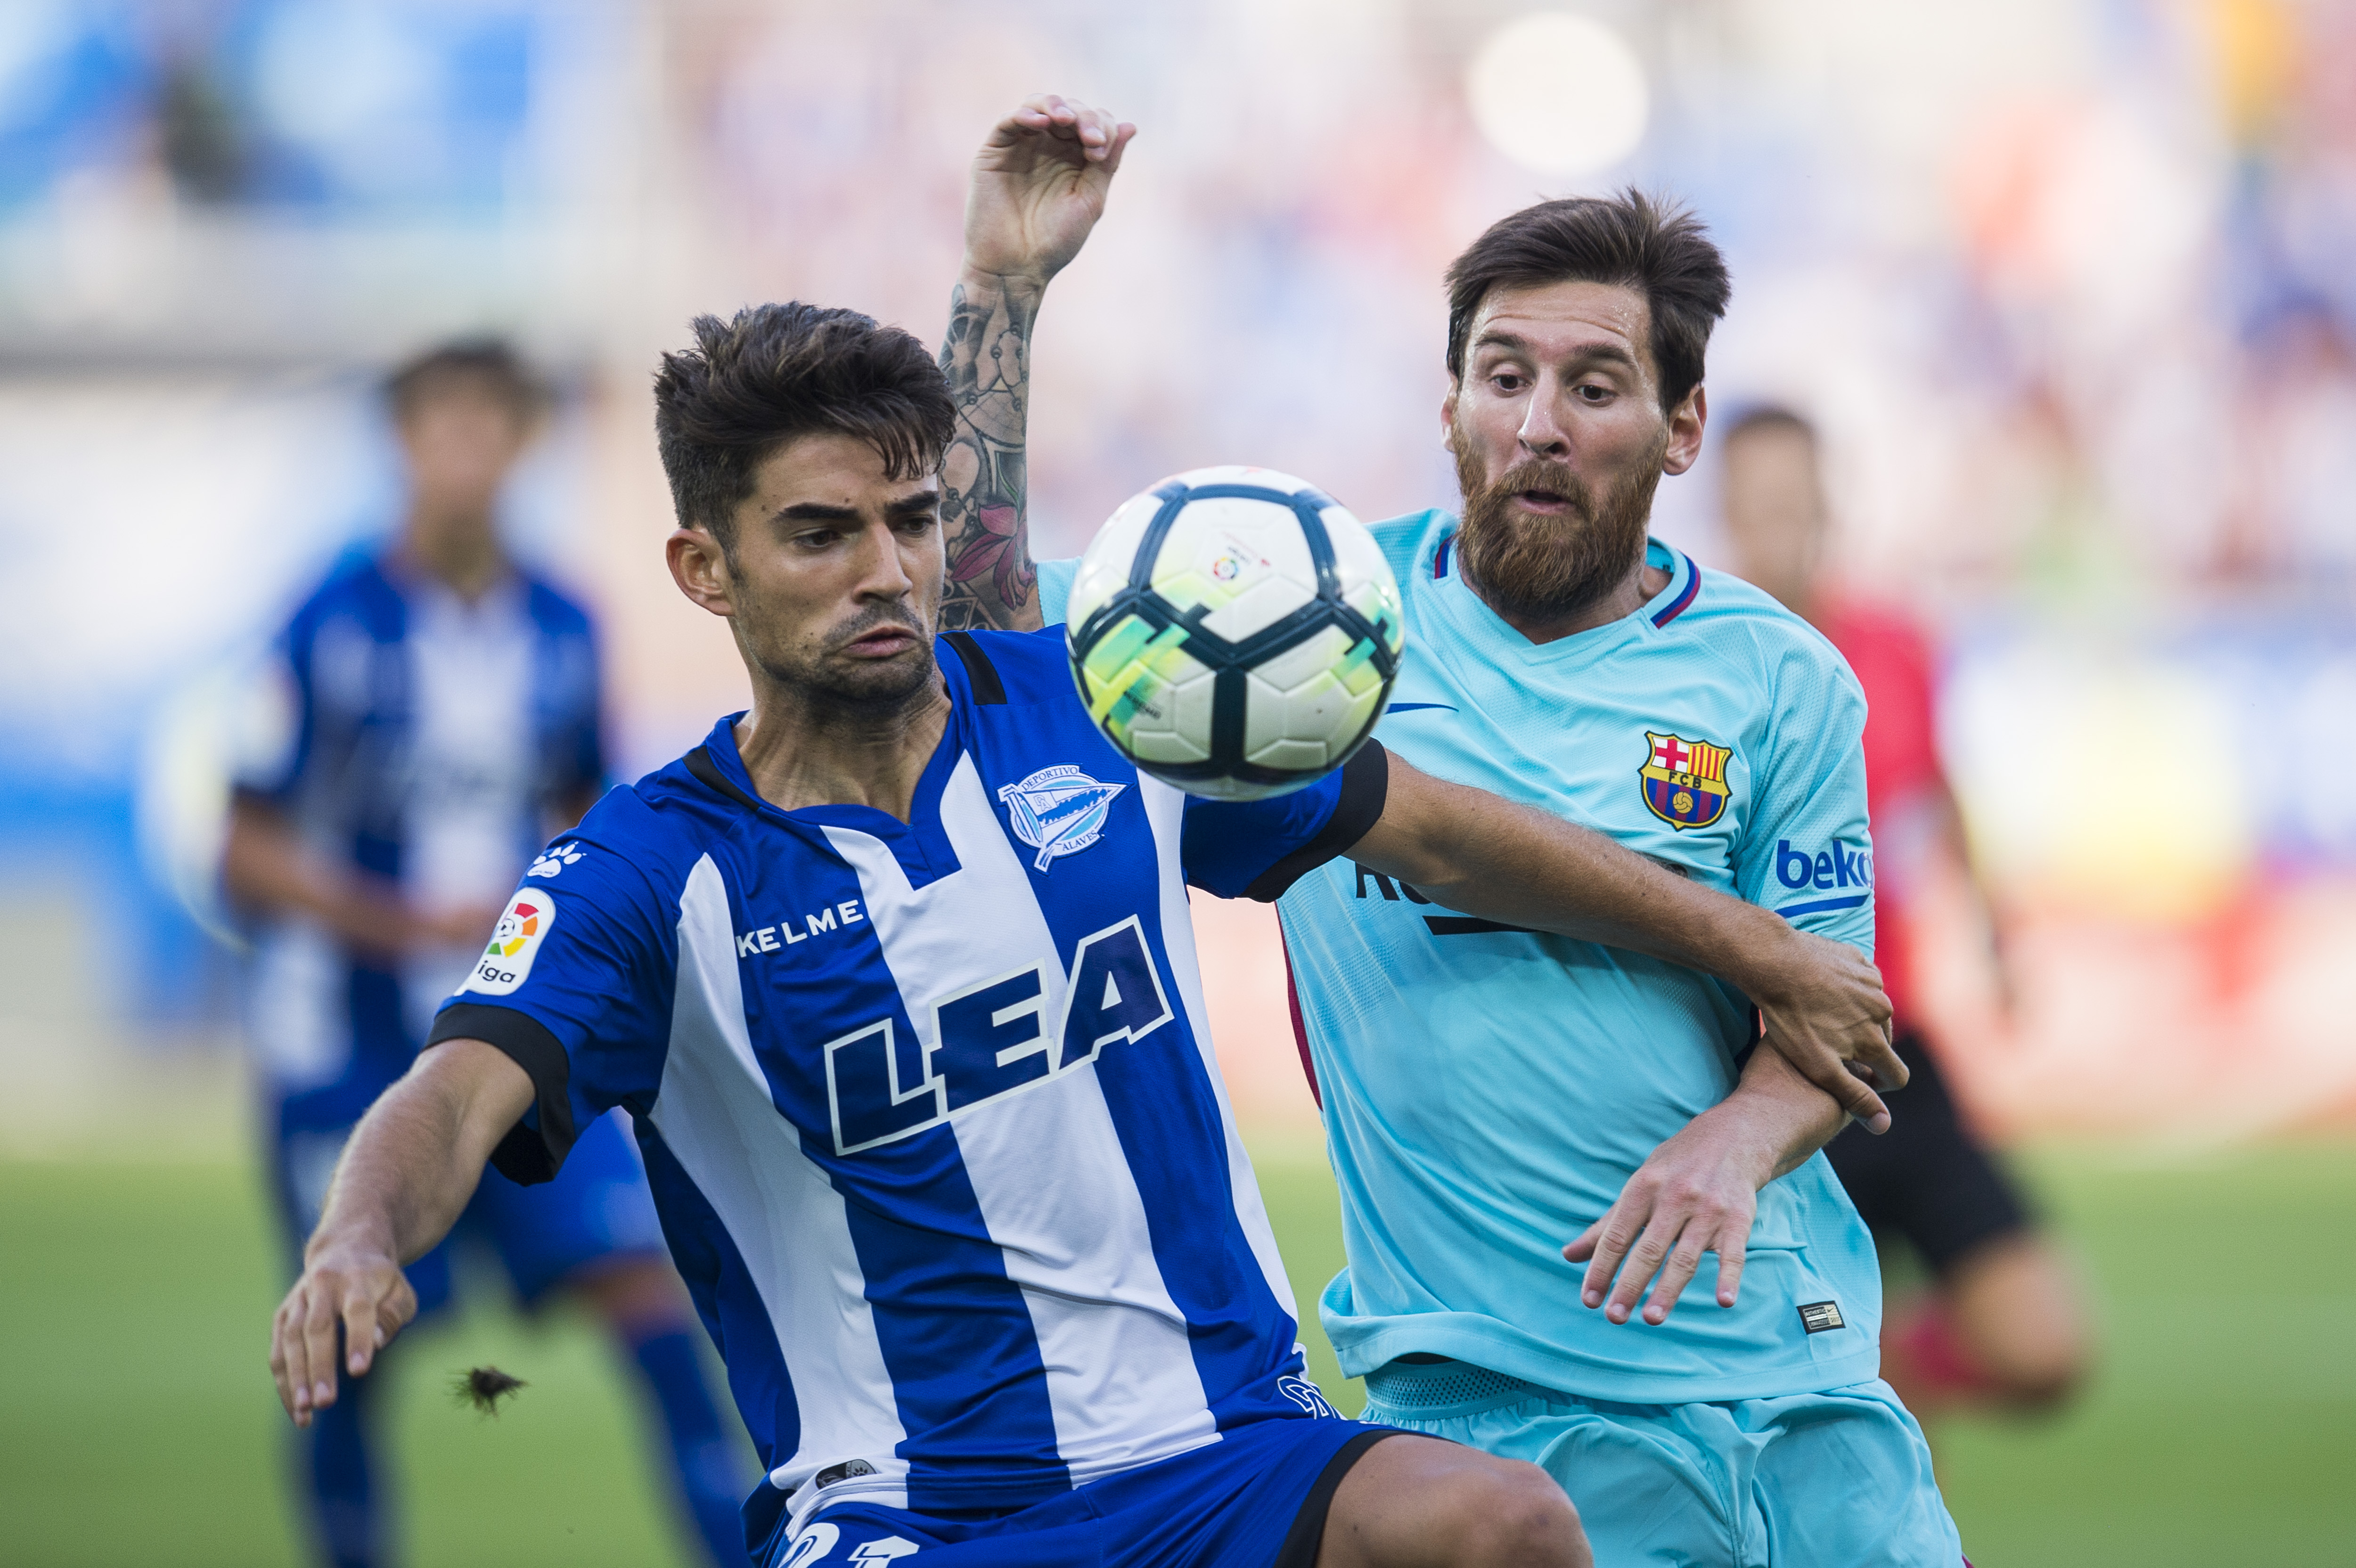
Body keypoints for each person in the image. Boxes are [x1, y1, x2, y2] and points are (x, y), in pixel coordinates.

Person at [267, 102, 1908, 1568]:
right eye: (821, 534)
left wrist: (1759, 947)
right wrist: (356, 1230)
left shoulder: (1104, 720)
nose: (884, 573)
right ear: (707, 570)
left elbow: (1447, 835)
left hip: (1229, 1450)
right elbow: (456, 1079)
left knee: (1500, 1525)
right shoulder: (649, 870)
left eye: (908, 524)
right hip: (913, 1499)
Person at [963, 111, 1964, 1565]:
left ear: (1683, 428)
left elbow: (1832, 1015)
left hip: (1797, 1380)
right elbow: (977, 605)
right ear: (1451, 406)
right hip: (1501, 1419)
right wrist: (1004, 285)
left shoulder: (1780, 678)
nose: (1539, 423)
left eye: (1595, 385)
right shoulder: (1304, 622)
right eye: (1504, 378)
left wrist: (1735, 1143)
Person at [224, 340, 749, 1568]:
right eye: (437, 427)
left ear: (521, 444)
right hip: (342, 1052)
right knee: (353, 1335)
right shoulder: (324, 621)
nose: (464, 454)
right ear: (402, 442)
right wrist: (397, 921)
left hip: (511, 1043)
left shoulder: (565, 626)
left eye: (489, 427)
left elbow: (584, 819)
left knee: (649, 1307)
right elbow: (241, 849)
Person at [1716, 404, 2092, 1420]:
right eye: (1756, 505)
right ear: (1725, 512)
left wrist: (1993, 930)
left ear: (1826, 505)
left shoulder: (1892, 642)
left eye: (1795, 502)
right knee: (1865, 1454)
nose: (1778, 526)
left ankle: (1886, 1368)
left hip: (1899, 1053)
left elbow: (1940, 783)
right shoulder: (1698, 668)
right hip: (1770, 1066)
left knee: (2046, 1350)